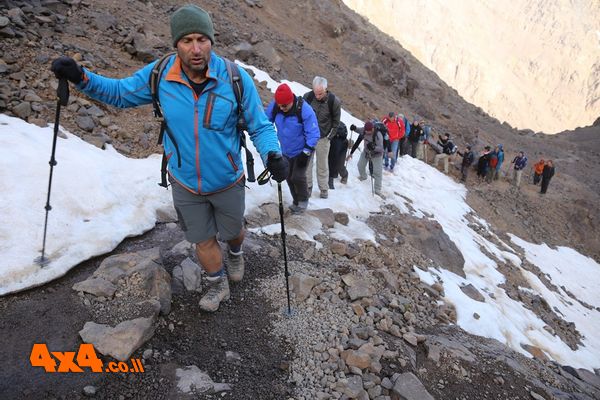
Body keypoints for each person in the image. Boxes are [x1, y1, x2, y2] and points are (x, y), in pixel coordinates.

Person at [50, 4, 289, 313]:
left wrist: (272, 152)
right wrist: (82, 77)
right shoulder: (160, 75)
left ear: (211, 41)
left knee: (232, 231)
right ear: (176, 43)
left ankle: (236, 250)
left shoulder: (234, 78)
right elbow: (120, 93)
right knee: (202, 241)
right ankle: (217, 284)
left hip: (228, 179)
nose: (196, 48)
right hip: (184, 180)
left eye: (202, 40)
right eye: (187, 40)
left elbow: (259, 123)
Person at [266, 83, 320, 213]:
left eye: (284, 105)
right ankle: (296, 201)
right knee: (288, 176)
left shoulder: (304, 110)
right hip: (286, 150)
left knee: (298, 176)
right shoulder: (276, 106)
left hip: (303, 150)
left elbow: (314, 133)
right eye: (280, 105)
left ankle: (303, 201)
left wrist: (306, 152)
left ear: (291, 100)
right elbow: (265, 121)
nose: (282, 108)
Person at [303, 76, 342, 199]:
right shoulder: (307, 97)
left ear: (326, 89)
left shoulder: (334, 101)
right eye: (316, 93)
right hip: (308, 136)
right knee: (307, 163)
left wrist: (329, 137)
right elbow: (302, 115)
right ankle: (308, 187)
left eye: (320, 94)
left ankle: (324, 188)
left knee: (322, 164)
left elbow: (336, 122)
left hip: (323, 138)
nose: (317, 96)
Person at [347, 121, 389, 198]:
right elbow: (358, 130)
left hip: (377, 155)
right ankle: (363, 176)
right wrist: (354, 128)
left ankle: (377, 189)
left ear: (372, 129)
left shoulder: (378, 135)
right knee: (360, 165)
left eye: (368, 131)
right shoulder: (364, 130)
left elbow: (381, 148)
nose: (367, 132)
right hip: (366, 152)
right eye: (366, 130)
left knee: (377, 172)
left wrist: (374, 147)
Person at [327, 121, 350, 189]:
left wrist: (332, 176)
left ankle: (345, 175)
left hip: (341, 146)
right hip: (334, 143)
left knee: (339, 164)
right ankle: (331, 174)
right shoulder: (328, 126)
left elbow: (334, 157)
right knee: (329, 160)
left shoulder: (339, 139)